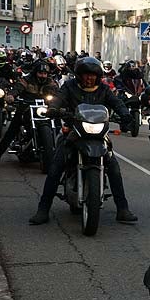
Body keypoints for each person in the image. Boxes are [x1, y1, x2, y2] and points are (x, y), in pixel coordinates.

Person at [28, 57, 137, 225]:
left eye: (93, 75)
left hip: (98, 133)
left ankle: (122, 209)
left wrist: (125, 115)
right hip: (74, 131)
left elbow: (117, 103)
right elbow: (58, 98)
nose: (89, 78)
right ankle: (43, 209)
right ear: (79, 75)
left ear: (98, 76)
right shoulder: (69, 87)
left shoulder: (104, 89)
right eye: (86, 75)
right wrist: (53, 109)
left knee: (113, 166)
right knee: (56, 166)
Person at [0, 60, 59, 163]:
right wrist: (12, 96)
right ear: (35, 73)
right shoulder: (26, 80)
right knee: (14, 126)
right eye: (40, 73)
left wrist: (61, 102)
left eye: (45, 73)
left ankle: (60, 155)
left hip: (45, 110)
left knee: (58, 124)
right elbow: (18, 88)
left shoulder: (51, 82)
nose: (43, 76)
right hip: (26, 108)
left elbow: (58, 93)